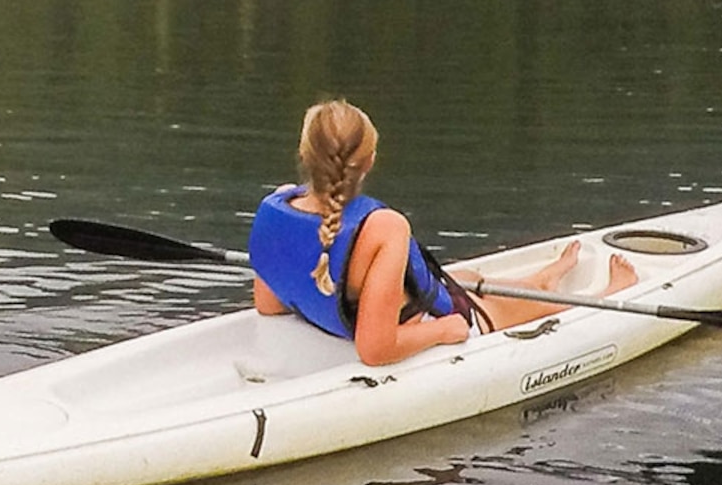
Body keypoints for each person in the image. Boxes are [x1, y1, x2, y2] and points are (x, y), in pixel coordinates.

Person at [249, 98, 634, 367]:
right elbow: (375, 349)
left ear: (304, 155)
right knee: (504, 304)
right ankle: (601, 296)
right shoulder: (384, 227)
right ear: (369, 162)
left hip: (388, 305)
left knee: (469, 278)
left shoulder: (275, 206)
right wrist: (446, 332)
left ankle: (541, 278)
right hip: (439, 320)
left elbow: (270, 304)